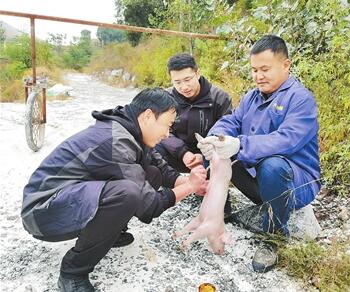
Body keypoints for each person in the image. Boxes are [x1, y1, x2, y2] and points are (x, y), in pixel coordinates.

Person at [21, 88, 207, 292]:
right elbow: (150, 205)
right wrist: (190, 187)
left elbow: (159, 167)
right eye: (168, 125)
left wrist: (187, 182)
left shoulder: (129, 129)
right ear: (147, 116)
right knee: (127, 193)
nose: (167, 134)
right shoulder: (115, 141)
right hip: (42, 212)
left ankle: (109, 230)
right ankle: (73, 272)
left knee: (151, 173)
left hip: (66, 200)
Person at [198, 35, 321, 271]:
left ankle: (274, 239)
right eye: (254, 70)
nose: (258, 76)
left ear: (286, 65)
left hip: (295, 184)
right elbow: (231, 121)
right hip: (260, 182)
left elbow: (287, 140)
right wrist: (216, 139)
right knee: (217, 149)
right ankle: (219, 211)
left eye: (265, 69)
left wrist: (239, 145)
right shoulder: (251, 97)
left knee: (272, 164)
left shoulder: (301, 99)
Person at [155, 53, 233, 214]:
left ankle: (216, 197)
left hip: (210, 155)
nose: (184, 86)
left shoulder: (220, 98)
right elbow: (161, 132)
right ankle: (157, 195)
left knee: (218, 210)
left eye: (188, 79)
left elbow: (227, 133)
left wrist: (203, 154)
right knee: (151, 149)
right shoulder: (165, 99)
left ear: (198, 73)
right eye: (177, 82)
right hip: (179, 155)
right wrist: (184, 153)